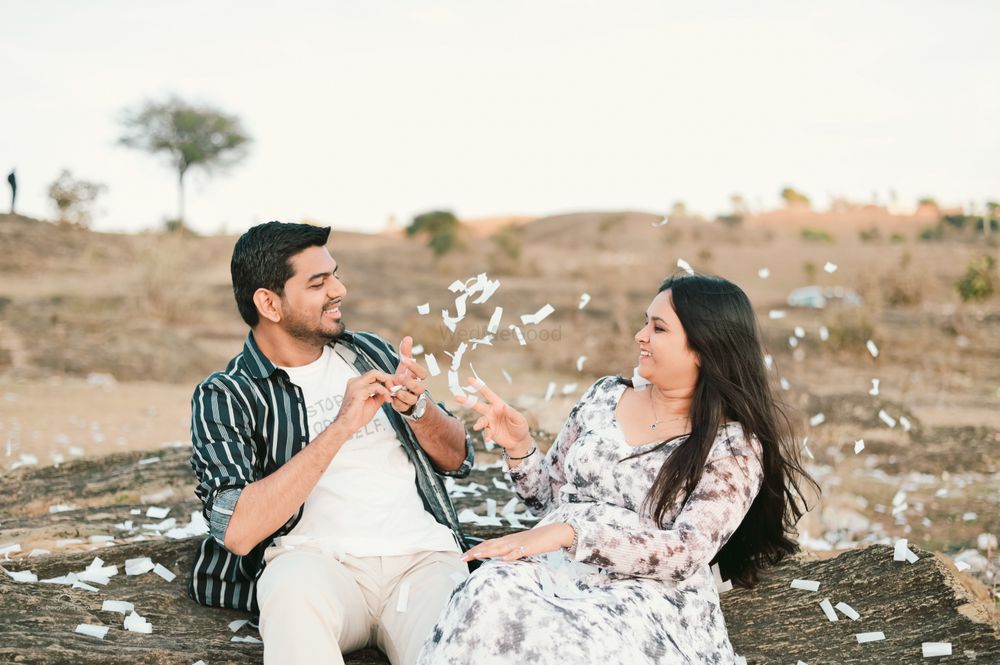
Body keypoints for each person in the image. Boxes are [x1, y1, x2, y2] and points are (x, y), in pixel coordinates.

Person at [419, 273, 817, 665]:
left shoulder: (732, 445)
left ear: (704, 348)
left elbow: (686, 552)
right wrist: (520, 447)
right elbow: (546, 501)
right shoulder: (604, 395)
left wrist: (571, 535)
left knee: (566, 644)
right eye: (646, 322)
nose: (640, 336)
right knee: (487, 591)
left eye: (658, 328)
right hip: (554, 570)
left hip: (643, 593)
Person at [188, 221, 475, 665]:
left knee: (463, 642)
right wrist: (340, 427)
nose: (338, 290)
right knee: (290, 593)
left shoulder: (371, 353)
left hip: (423, 563)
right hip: (317, 566)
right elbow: (238, 531)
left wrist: (419, 410)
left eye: (334, 275)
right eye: (319, 283)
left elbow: (458, 458)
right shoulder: (227, 394)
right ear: (269, 302)